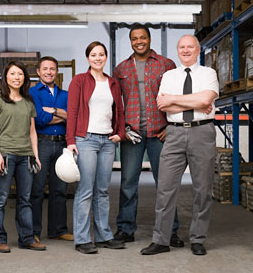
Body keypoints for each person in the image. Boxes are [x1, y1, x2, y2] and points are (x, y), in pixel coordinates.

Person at [141, 34, 218, 256]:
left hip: (202, 132)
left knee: (202, 189)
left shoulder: (208, 74)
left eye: (190, 47)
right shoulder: (168, 75)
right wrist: (193, 101)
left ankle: (198, 239)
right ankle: (161, 240)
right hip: (173, 135)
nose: (186, 50)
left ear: (197, 49)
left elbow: (205, 101)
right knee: (165, 189)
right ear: (178, 50)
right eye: (182, 47)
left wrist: (176, 100)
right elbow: (163, 106)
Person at [113, 23, 183, 247]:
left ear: (149, 39)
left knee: (166, 184)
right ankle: (125, 229)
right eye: (134, 39)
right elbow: (116, 104)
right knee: (127, 184)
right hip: (132, 134)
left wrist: (171, 127)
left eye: (142, 37)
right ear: (131, 41)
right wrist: (121, 129)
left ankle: (169, 231)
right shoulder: (121, 68)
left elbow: (177, 97)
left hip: (160, 133)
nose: (139, 42)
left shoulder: (166, 64)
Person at [67, 41, 126, 254]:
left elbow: (119, 110)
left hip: (108, 141)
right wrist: (71, 140)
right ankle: (82, 239)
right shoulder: (79, 80)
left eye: (101, 54)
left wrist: (121, 133)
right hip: (86, 139)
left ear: (106, 57)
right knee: (85, 190)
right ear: (88, 58)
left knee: (102, 190)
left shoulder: (113, 83)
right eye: (94, 54)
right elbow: (72, 111)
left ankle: (103, 236)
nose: (98, 58)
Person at [0, 61, 46, 253]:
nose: (17, 77)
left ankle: (27, 238)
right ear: (6, 77)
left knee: (25, 199)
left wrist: (36, 156)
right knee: (1, 198)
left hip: (26, 157)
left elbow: (32, 132)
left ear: (25, 78)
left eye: (20, 74)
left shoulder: (28, 103)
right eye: (13, 74)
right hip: (6, 155)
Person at [29, 56, 73, 241]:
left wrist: (53, 111)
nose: (49, 72)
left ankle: (58, 230)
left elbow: (73, 116)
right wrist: (63, 115)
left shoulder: (65, 95)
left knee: (59, 189)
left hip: (62, 144)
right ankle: (34, 232)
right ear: (39, 72)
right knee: (37, 189)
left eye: (52, 69)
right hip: (42, 143)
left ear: (57, 72)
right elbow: (39, 119)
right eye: (45, 68)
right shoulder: (33, 93)